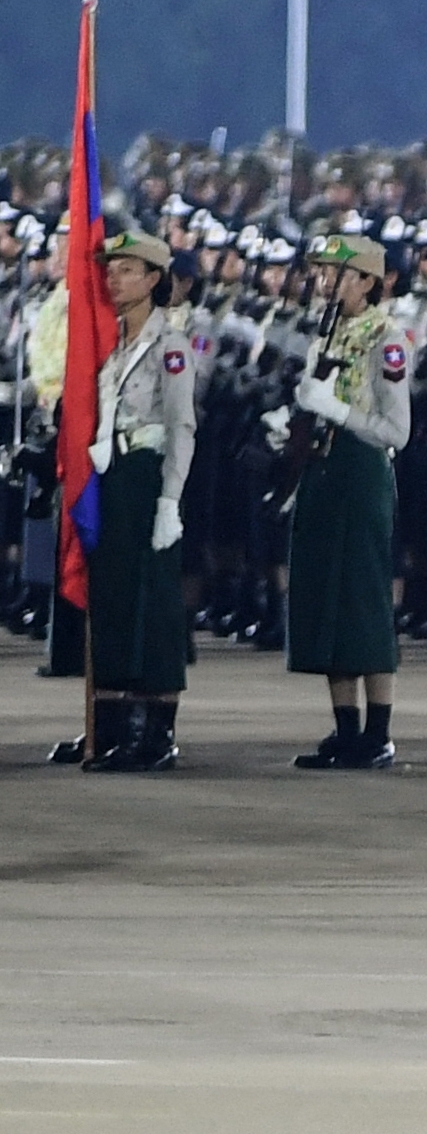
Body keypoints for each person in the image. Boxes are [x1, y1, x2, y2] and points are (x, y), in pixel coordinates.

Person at [67, 226, 199, 772]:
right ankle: (116, 728)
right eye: (110, 270)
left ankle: (158, 734)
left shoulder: (171, 346)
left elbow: (181, 425)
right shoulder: (113, 343)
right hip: (115, 475)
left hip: (149, 475)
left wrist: (171, 499)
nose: (113, 280)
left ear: (153, 279)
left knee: (156, 602)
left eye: (126, 271)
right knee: (116, 596)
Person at [282, 230, 415, 769]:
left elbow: (395, 431)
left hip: (361, 474)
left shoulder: (388, 338)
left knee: (362, 599)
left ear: (368, 281)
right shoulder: (325, 336)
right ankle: (344, 727)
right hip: (324, 472)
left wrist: (336, 412)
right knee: (328, 599)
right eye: (320, 272)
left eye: (335, 273)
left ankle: (378, 732)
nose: (323, 281)